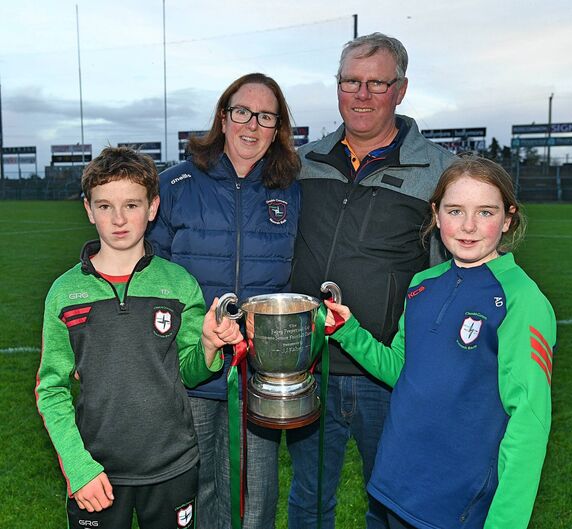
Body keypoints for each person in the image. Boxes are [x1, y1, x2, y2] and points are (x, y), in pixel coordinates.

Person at [325, 156, 556, 529]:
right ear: (435, 214)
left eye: (485, 212)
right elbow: (402, 369)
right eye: (454, 210)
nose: (468, 226)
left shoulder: (523, 301)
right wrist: (348, 332)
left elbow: (529, 424)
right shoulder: (422, 283)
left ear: (508, 218)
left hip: (454, 504)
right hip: (391, 484)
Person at [287, 33, 455, 528]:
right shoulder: (302, 163)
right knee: (308, 500)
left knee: (391, 502)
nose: (361, 94)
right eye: (351, 82)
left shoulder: (440, 172)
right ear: (337, 87)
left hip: (388, 374)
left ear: (401, 90)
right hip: (307, 366)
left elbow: (455, 274)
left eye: (376, 83)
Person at [35, 146, 242, 529]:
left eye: (131, 205)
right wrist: (78, 467)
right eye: (104, 206)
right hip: (97, 470)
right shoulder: (64, 293)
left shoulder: (179, 284)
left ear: (152, 207)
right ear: (88, 210)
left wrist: (210, 347)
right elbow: (51, 389)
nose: (118, 219)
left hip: (172, 466)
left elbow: (190, 372)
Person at [147, 73, 301, 529]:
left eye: (266, 116)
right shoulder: (174, 185)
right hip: (190, 367)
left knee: (253, 502)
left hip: (257, 373)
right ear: (223, 116)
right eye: (242, 112)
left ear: (278, 128)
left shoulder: (291, 189)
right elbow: (149, 276)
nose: (251, 124)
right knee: (191, 496)